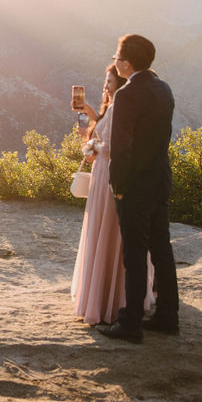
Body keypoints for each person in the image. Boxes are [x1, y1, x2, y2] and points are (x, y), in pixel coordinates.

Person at [99, 34, 180, 343]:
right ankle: (167, 316)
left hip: (135, 185)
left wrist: (118, 186)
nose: (115, 62)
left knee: (134, 254)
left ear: (126, 64)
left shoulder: (128, 95)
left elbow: (122, 148)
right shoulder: (164, 88)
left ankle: (130, 322)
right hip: (160, 180)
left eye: (117, 58)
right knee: (162, 249)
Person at [71, 65, 153, 325]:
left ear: (120, 83)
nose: (105, 86)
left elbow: (115, 146)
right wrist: (94, 123)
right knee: (108, 234)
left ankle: (106, 299)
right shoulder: (116, 107)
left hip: (109, 175)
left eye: (109, 81)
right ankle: (112, 295)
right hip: (103, 173)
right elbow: (106, 138)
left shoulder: (121, 107)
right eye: (105, 81)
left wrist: (93, 145)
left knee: (107, 232)